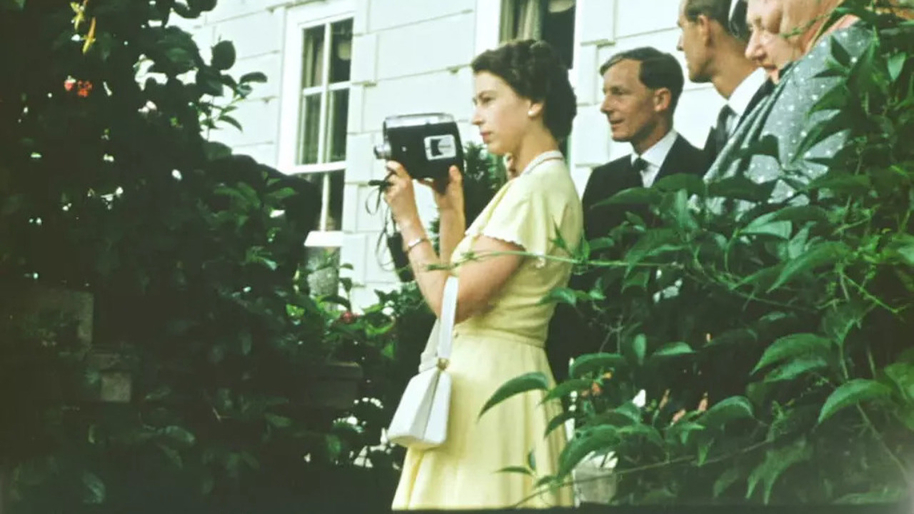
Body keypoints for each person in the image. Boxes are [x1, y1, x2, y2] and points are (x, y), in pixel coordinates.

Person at [382, 39, 581, 509]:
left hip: (494, 391)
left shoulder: (536, 189)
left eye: (488, 100)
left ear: (534, 102)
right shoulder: (530, 185)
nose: (475, 117)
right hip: (488, 381)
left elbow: (453, 303)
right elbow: (462, 282)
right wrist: (450, 211)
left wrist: (410, 223)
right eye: (476, 103)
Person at [704, 0, 877, 206]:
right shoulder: (845, 49)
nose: (750, 51)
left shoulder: (840, 50)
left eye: (763, 28)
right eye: (752, 29)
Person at [677, 0, 773, 163]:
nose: (679, 45)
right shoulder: (728, 119)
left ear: (703, 26)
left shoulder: (776, 104)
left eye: (682, 28)